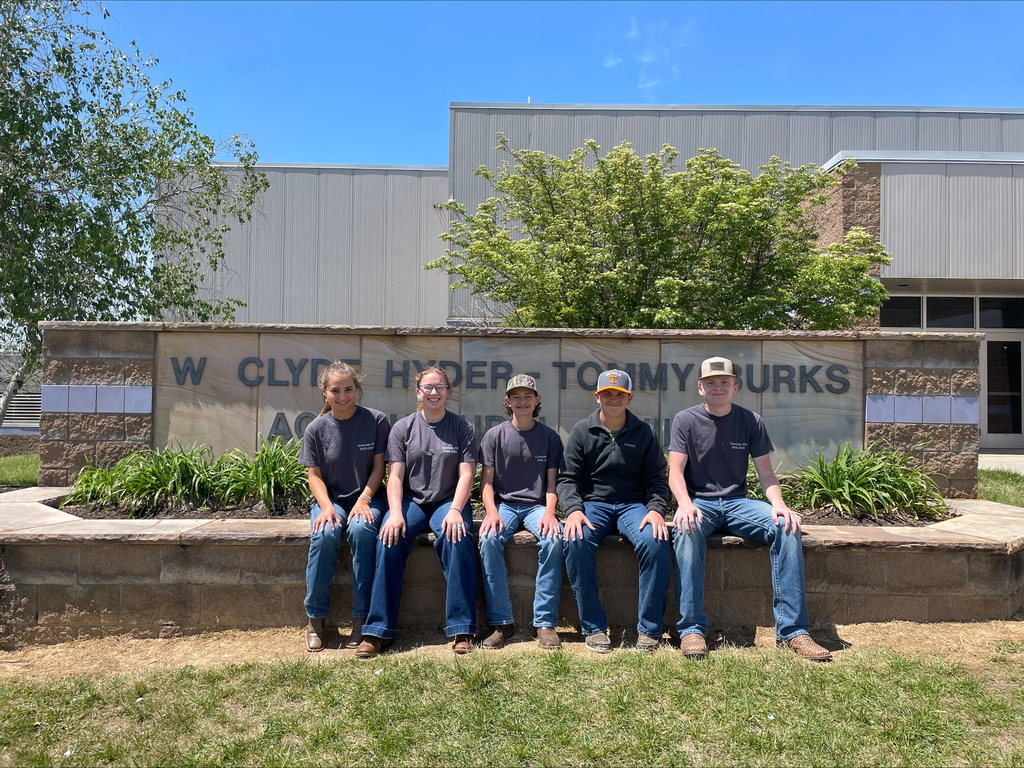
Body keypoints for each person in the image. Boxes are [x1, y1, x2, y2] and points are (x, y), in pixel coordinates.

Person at [669, 356, 832, 661]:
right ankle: (691, 629)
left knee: (786, 527)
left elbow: (767, 474)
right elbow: (675, 471)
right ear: (700, 389)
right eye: (710, 383)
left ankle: (793, 632)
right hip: (700, 503)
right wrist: (684, 504)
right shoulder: (685, 420)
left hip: (737, 504)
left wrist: (780, 505)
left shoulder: (751, 421)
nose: (718, 387)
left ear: (735, 387)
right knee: (686, 530)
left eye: (724, 382)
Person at [356, 366, 480, 658]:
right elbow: (395, 477)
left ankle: (462, 628)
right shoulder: (403, 428)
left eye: (439, 387)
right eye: (428, 387)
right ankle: (377, 631)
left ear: (449, 392)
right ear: (418, 392)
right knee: (388, 538)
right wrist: (396, 513)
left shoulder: (462, 427)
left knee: (458, 537)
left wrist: (455, 510)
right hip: (411, 502)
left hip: (447, 502)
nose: (434, 392)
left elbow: (467, 475)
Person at [558, 369, 672, 653]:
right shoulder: (582, 432)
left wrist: (657, 510)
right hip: (593, 505)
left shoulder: (644, 433)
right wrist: (573, 510)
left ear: (629, 398)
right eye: (607, 394)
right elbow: (567, 478)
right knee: (575, 540)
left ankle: (649, 629)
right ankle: (594, 627)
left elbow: (658, 479)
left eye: (619, 395)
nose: (613, 399)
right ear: (597, 397)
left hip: (634, 506)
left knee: (655, 542)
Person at [299, 361, 390, 652]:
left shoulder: (375, 420)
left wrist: (364, 499)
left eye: (348, 390)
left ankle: (361, 620)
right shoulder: (315, 428)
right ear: (324, 392)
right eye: (335, 391)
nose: (342, 396)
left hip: (367, 498)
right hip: (332, 501)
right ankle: (315, 619)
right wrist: (326, 507)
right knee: (325, 535)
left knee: (363, 531)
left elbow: (379, 468)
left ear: (357, 390)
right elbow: (313, 476)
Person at [477, 374, 566, 650]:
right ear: (507, 402)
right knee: (488, 539)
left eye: (528, 396)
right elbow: (487, 483)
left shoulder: (549, 437)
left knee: (554, 538)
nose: (522, 401)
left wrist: (551, 513)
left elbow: (552, 484)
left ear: (537, 400)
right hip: (504, 506)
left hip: (537, 507)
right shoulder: (495, 435)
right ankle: (502, 622)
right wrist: (491, 512)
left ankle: (545, 622)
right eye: (516, 396)